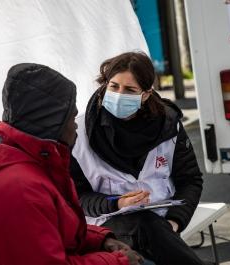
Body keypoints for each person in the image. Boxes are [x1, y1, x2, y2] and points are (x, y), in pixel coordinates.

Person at [0, 63, 142, 264]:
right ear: (50, 122)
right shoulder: (14, 189)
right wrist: (117, 261)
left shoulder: (20, 162)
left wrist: (101, 241)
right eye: (71, 117)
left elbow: (45, 230)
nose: (75, 125)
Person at [70, 51, 204, 264]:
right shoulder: (78, 132)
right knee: (145, 225)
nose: (119, 94)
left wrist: (174, 222)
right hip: (107, 225)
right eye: (113, 86)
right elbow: (76, 197)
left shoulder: (169, 126)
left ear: (145, 94)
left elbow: (190, 181)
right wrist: (117, 203)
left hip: (161, 224)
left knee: (150, 228)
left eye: (130, 90)